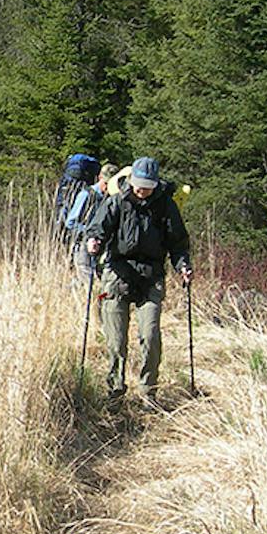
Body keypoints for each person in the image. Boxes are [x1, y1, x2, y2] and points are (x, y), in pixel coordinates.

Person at [86, 156, 192, 403]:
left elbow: (178, 244)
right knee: (116, 340)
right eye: (138, 184)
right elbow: (97, 228)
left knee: (151, 335)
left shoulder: (166, 206)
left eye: (147, 185)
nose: (142, 190)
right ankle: (114, 391)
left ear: (156, 184)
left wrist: (183, 266)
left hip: (150, 276)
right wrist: (95, 242)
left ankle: (148, 392)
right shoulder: (117, 201)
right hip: (117, 274)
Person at [67, 160, 119, 282]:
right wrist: (89, 233)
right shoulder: (86, 195)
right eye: (105, 182)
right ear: (100, 177)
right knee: (87, 279)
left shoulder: (113, 198)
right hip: (84, 244)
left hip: (105, 244)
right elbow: (71, 222)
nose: (107, 186)